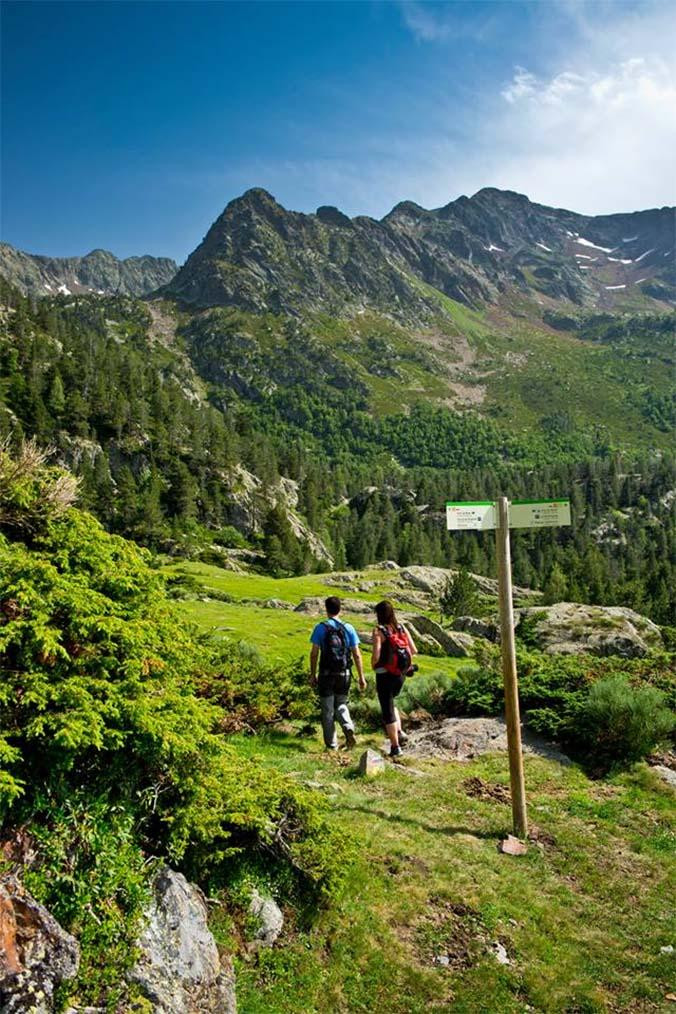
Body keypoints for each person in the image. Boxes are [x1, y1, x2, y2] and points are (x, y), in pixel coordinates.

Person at [309, 596, 366, 750]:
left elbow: (314, 654)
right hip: (344, 673)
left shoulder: (320, 628)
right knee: (341, 703)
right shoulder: (349, 628)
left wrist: (313, 674)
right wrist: (361, 677)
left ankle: (332, 745)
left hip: (326, 674)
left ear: (326, 609)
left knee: (327, 710)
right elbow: (357, 654)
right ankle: (348, 726)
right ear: (340, 609)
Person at [371, 600, 417, 757]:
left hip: (385, 675)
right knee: (392, 702)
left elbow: (376, 654)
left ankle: (395, 747)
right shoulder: (401, 627)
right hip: (400, 674)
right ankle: (400, 732)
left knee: (387, 710)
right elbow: (414, 650)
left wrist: (373, 664)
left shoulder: (379, 630)